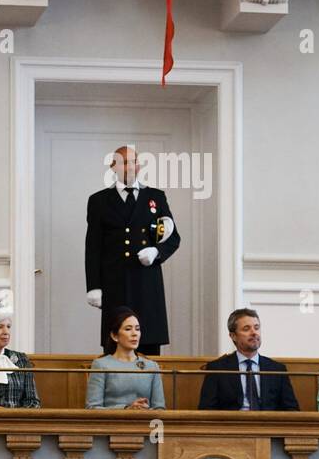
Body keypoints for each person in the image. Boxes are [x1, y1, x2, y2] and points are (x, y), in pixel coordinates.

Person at [84, 144, 180, 356]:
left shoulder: (155, 197)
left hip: (147, 284)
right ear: (113, 167)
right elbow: (93, 247)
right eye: (125, 162)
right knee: (114, 347)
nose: (131, 166)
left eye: (134, 161)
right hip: (115, 285)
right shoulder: (99, 201)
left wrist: (156, 252)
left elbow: (173, 237)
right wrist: (94, 286)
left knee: (148, 346)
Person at [199, 308, 299, 411]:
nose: (254, 332)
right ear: (233, 336)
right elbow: (206, 410)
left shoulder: (277, 369)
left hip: (268, 425)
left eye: (256, 328)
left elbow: (291, 409)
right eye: (246, 329)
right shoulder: (217, 369)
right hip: (231, 425)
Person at [87, 306, 164, 409]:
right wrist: (126, 409)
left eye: (137, 329)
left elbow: (160, 408)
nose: (135, 334)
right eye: (128, 329)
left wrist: (144, 411)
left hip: (145, 423)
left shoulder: (152, 366)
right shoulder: (101, 364)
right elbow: (92, 408)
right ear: (115, 336)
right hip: (113, 423)